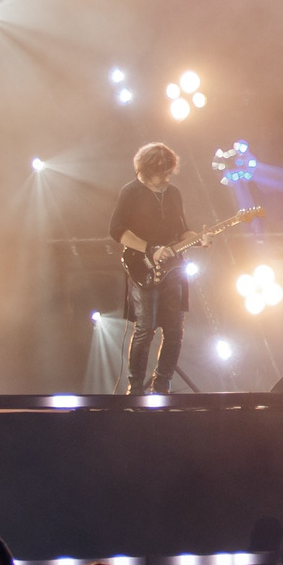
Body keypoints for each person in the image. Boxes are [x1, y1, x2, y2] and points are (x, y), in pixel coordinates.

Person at [109, 141, 191, 395]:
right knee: (145, 329)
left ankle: (162, 384)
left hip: (173, 267)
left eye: (169, 172)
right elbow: (117, 231)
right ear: (145, 170)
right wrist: (150, 248)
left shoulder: (173, 193)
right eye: (161, 173)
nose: (166, 178)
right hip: (142, 266)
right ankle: (135, 389)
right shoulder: (130, 192)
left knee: (175, 329)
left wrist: (199, 237)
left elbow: (182, 230)